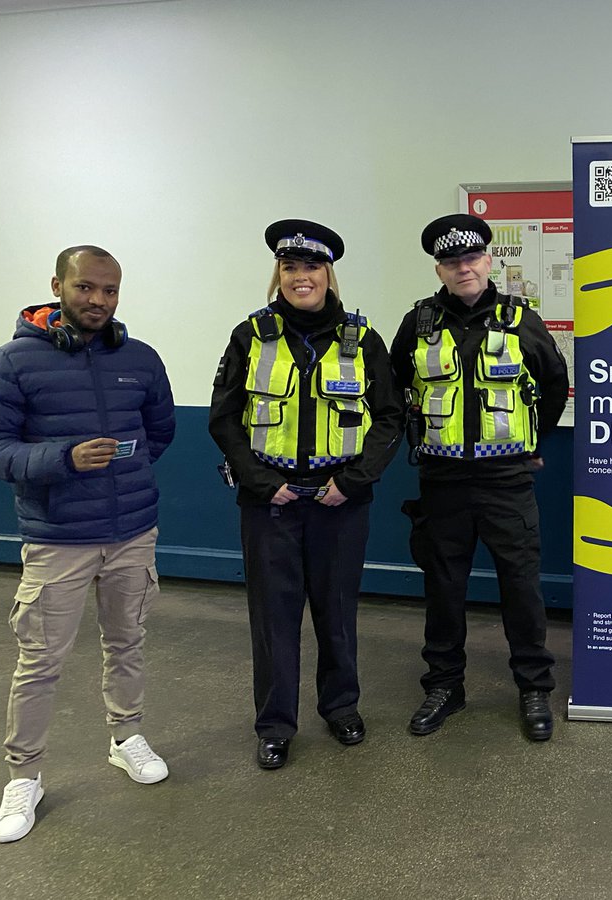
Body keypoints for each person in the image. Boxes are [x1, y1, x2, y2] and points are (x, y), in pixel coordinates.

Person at [0, 246, 176, 843]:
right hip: (58, 540)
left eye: (110, 290)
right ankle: (24, 775)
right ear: (57, 287)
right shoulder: (11, 362)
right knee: (39, 661)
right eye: (85, 287)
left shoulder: (141, 359)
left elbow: (159, 433)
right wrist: (62, 460)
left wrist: (124, 479)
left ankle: (126, 737)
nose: (98, 300)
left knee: (127, 641)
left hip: (132, 534)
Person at [209, 219, 403, 770]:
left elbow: (390, 418)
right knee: (273, 619)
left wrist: (354, 482)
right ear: (278, 274)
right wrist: (263, 483)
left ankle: (341, 707)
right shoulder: (250, 335)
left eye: (311, 267)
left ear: (328, 274)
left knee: (337, 612)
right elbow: (224, 419)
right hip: (270, 502)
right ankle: (275, 725)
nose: (301, 277)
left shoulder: (362, 339)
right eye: (290, 267)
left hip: (340, 500)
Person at [391, 213, 568, 742]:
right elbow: (394, 387)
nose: (462, 268)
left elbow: (554, 384)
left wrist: (532, 444)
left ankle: (533, 687)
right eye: (451, 261)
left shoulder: (521, 320)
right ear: (439, 270)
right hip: (442, 482)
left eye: (471, 258)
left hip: (506, 481)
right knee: (443, 589)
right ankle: (444, 686)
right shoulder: (418, 323)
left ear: (489, 261)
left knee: (521, 588)